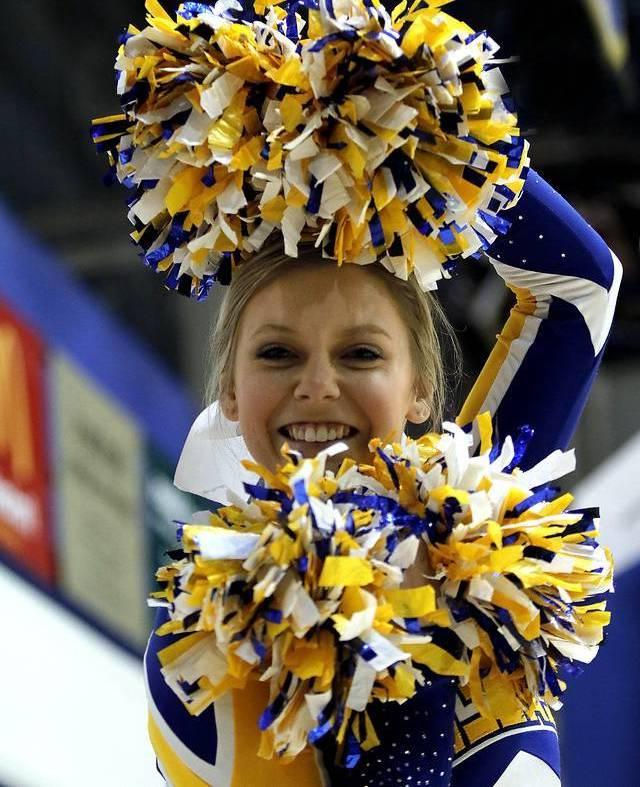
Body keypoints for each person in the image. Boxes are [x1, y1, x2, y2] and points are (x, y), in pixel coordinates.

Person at [143, 169, 622, 786]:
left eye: (361, 354)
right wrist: (402, 624)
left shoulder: (476, 522)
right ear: (231, 391)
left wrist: (432, 142)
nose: (317, 385)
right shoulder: (209, 640)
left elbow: (580, 288)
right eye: (278, 354)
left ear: (419, 390)